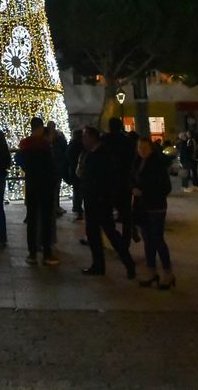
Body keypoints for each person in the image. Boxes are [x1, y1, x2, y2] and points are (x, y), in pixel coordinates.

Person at [79, 128, 136, 278]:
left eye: (85, 137)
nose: (83, 140)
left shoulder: (103, 155)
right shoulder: (91, 154)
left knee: (111, 234)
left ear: (92, 138)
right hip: (92, 200)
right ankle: (98, 265)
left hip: (100, 201)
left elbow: (108, 179)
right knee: (93, 235)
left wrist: (104, 197)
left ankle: (128, 263)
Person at [131, 136, 174, 288]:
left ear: (151, 148)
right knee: (148, 240)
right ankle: (151, 270)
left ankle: (167, 272)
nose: (142, 151)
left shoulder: (157, 164)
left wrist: (144, 191)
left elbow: (165, 188)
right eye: (139, 148)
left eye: (144, 148)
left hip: (156, 207)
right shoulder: (137, 162)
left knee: (157, 239)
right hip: (142, 207)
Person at [16, 117, 60, 265]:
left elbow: (21, 162)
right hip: (45, 185)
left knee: (32, 219)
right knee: (46, 219)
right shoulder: (45, 144)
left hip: (32, 184)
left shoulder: (25, 144)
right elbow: (51, 166)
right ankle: (47, 252)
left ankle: (32, 253)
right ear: (41, 128)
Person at [104, 117, 137, 242]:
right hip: (124, 181)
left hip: (108, 182)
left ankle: (115, 238)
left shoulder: (105, 140)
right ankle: (126, 239)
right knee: (126, 214)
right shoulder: (127, 141)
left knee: (107, 213)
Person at [65, 126, 85, 221]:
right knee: (79, 190)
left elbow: (68, 157)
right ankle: (78, 207)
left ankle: (77, 207)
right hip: (78, 170)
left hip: (73, 170)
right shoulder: (82, 145)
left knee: (76, 190)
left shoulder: (72, 144)